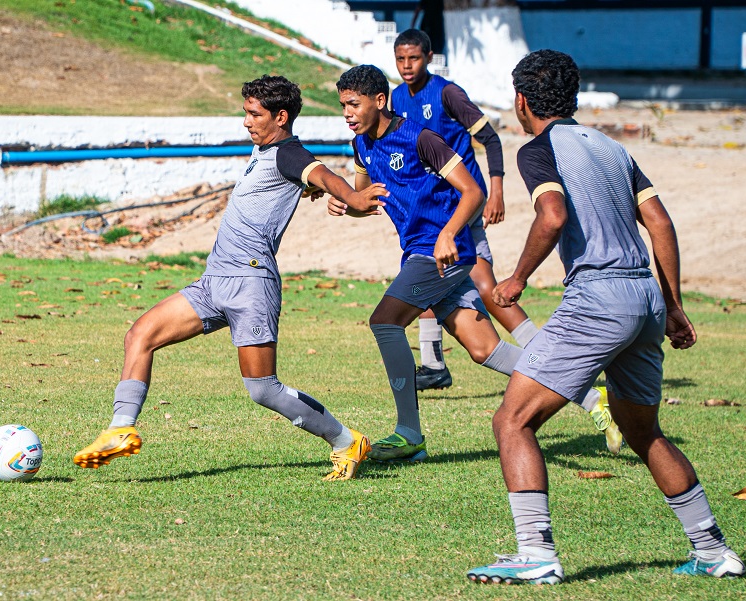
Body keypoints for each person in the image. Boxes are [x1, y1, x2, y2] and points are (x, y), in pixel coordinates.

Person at [466, 50, 744, 585]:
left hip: (598, 298)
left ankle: (535, 554)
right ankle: (713, 551)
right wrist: (673, 304)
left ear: (522, 101)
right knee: (644, 431)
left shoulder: (538, 149)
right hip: (644, 298)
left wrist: (518, 276)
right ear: (572, 97)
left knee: (513, 420)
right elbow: (659, 221)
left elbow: (552, 216)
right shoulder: (613, 147)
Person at [72, 75, 388, 482]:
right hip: (213, 281)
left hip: (251, 284)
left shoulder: (288, 153)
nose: (246, 122)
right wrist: (310, 190)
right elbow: (302, 184)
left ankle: (347, 442)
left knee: (263, 389)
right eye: (245, 112)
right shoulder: (265, 151)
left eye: (254, 114)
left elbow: (321, 174)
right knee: (140, 335)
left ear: (281, 116)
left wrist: (353, 197)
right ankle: (120, 428)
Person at [387, 28, 621, 455]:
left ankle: (413, 428)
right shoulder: (393, 102)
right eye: (400, 59)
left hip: (460, 210)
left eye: (414, 58)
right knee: (480, 343)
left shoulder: (447, 94)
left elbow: (490, 138)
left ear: (428, 57)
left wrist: (495, 190)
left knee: (486, 291)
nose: (407, 66)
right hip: (430, 217)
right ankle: (578, 389)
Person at [329, 64, 526, 464]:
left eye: (354, 104)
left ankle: (408, 434)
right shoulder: (361, 145)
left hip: (442, 254)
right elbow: (365, 200)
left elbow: (472, 191)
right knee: (485, 349)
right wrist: (344, 202)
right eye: (343, 106)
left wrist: (449, 232)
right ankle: (590, 392)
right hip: (419, 254)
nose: (347, 113)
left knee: (385, 321)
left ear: (379, 101)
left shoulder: (420, 137)